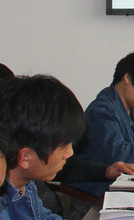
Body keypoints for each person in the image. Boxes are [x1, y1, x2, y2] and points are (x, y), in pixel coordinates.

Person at [0, 75, 84, 219]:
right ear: (26, 157)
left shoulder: (26, 184)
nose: (70, 153)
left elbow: (44, 217)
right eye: (63, 146)